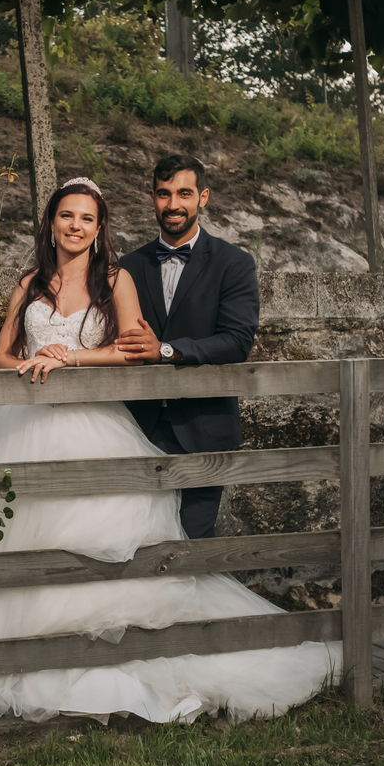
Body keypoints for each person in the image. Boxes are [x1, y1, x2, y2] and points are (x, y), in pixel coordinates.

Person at [0, 178, 337, 731]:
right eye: (67, 216)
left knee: (99, 545)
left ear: (99, 226)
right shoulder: (30, 282)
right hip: (26, 425)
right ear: (52, 222)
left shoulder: (117, 280)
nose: (76, 226)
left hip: (94, 426)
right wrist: (34, 364)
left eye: (87, 218)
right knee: (22, 540)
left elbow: (135, 352)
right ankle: (26, 662)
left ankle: (109, 661)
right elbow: (0, 355)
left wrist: (74, 358)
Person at [116, 154, 260, 540]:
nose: (173, 204)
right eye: (164, 194)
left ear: (203, 197)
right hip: (134, 428)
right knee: (135, 540)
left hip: (204, 426)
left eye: (184, 193)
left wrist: (166, 350)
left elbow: (237, 341)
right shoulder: (127, 266)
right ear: (152, 198)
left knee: (193, 545)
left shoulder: (235, 263)